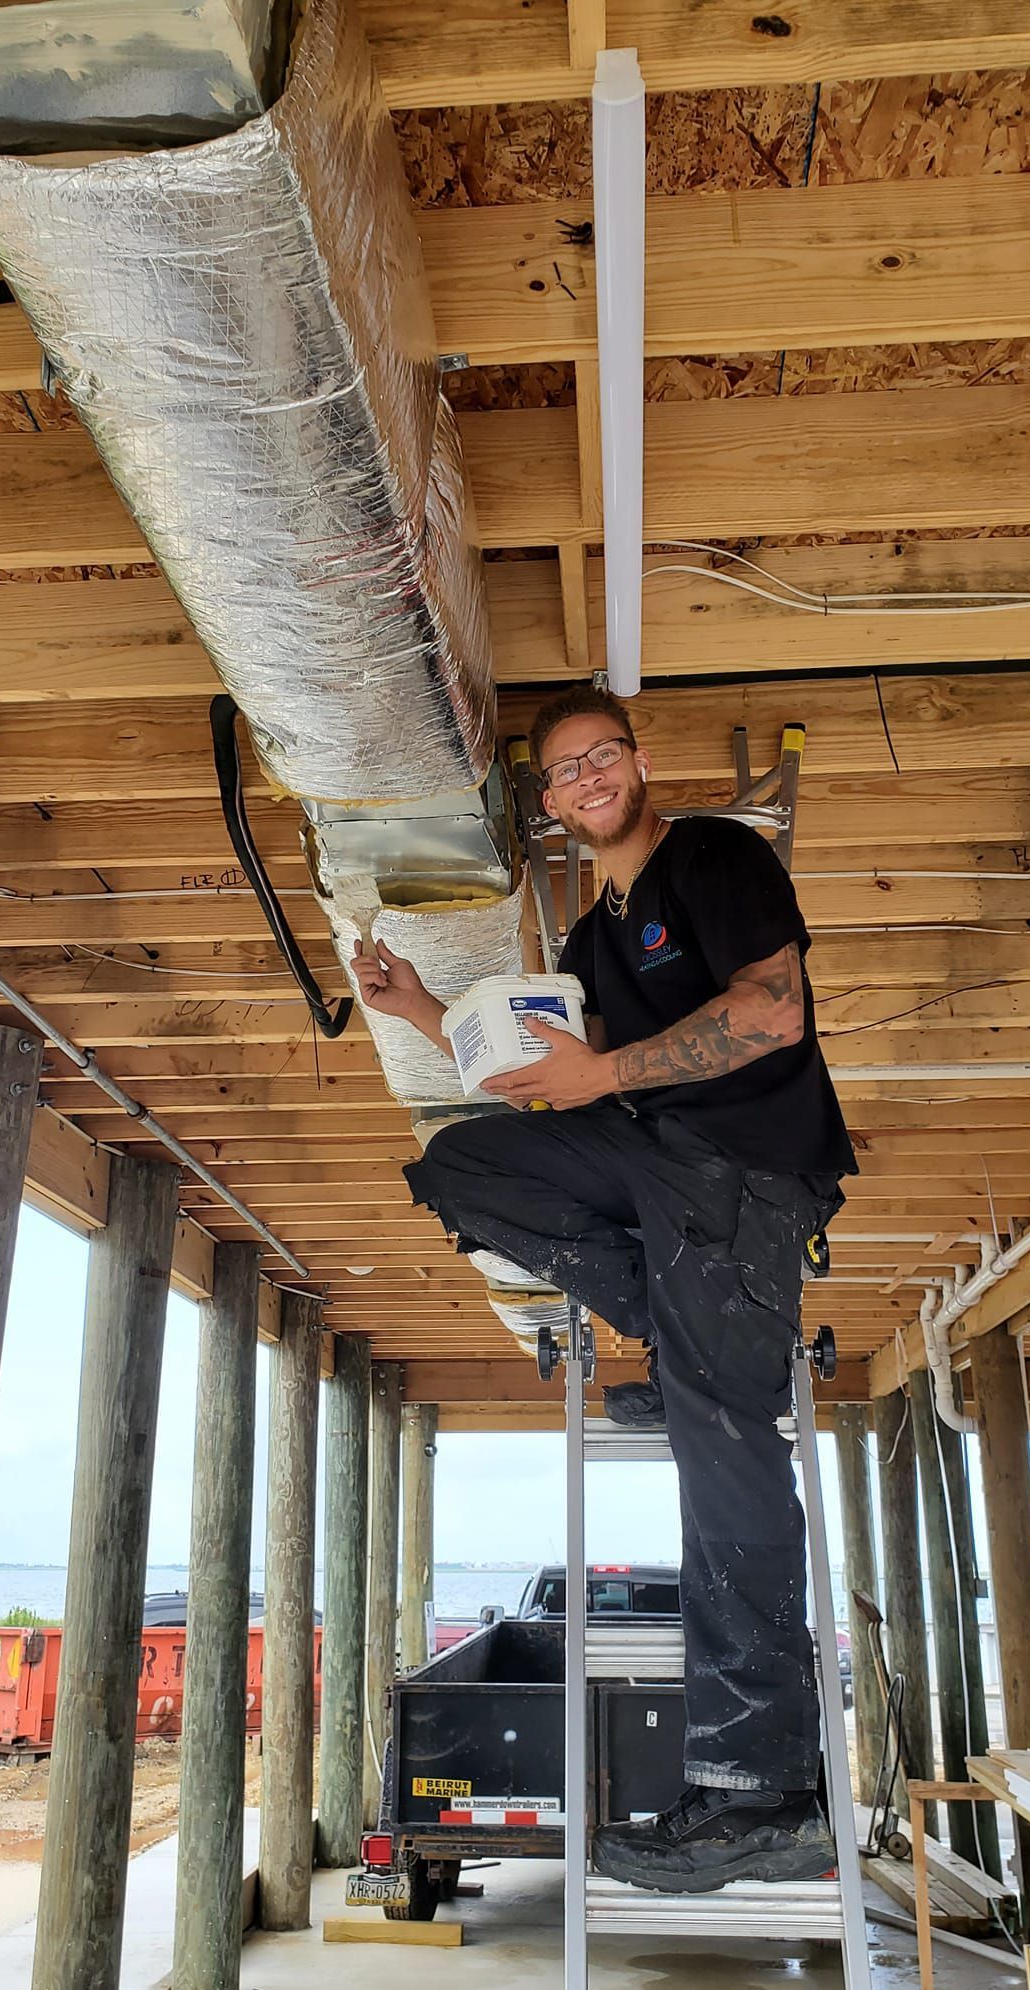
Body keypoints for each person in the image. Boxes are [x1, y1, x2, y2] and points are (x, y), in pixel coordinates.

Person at [352, 684, 856, 1895]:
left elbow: (773, 1012)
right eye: (564, 769)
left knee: (726, 1453)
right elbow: (548, 1076)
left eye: (603, 755)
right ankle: (681, 1341)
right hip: (657, 1181)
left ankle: (764, 1795)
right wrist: (421, 1008)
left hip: (745, 1182)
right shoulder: (587, 943)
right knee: (465, 1162)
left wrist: (609, 1072)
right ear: (546, 797)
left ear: (636, 761)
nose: (588, 778)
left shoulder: (712, 858)